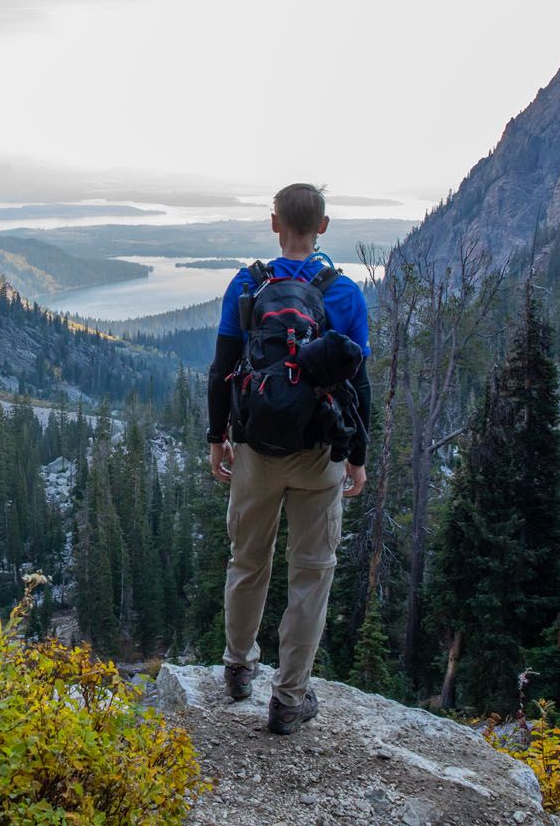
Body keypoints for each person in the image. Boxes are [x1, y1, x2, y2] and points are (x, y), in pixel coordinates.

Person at [206, 183, 371, 735]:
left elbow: (223, 367)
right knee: (311, 573)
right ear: (323, 226)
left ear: (274, 222)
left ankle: (237, 668)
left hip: (254, 448)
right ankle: (289, 698)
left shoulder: (249, 284)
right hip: (318, 452)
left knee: (247, 560)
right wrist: (357, 457)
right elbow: (359, 384)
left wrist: (217, 438)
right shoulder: (343, 293)